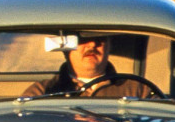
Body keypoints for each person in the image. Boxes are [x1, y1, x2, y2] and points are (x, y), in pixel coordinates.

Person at [21, 35, 153, 98]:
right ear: (66, 47)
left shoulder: (138, 90)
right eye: (82, 39)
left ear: (109, 45)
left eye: (100, 39)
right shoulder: (42, 92)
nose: (92, 45)